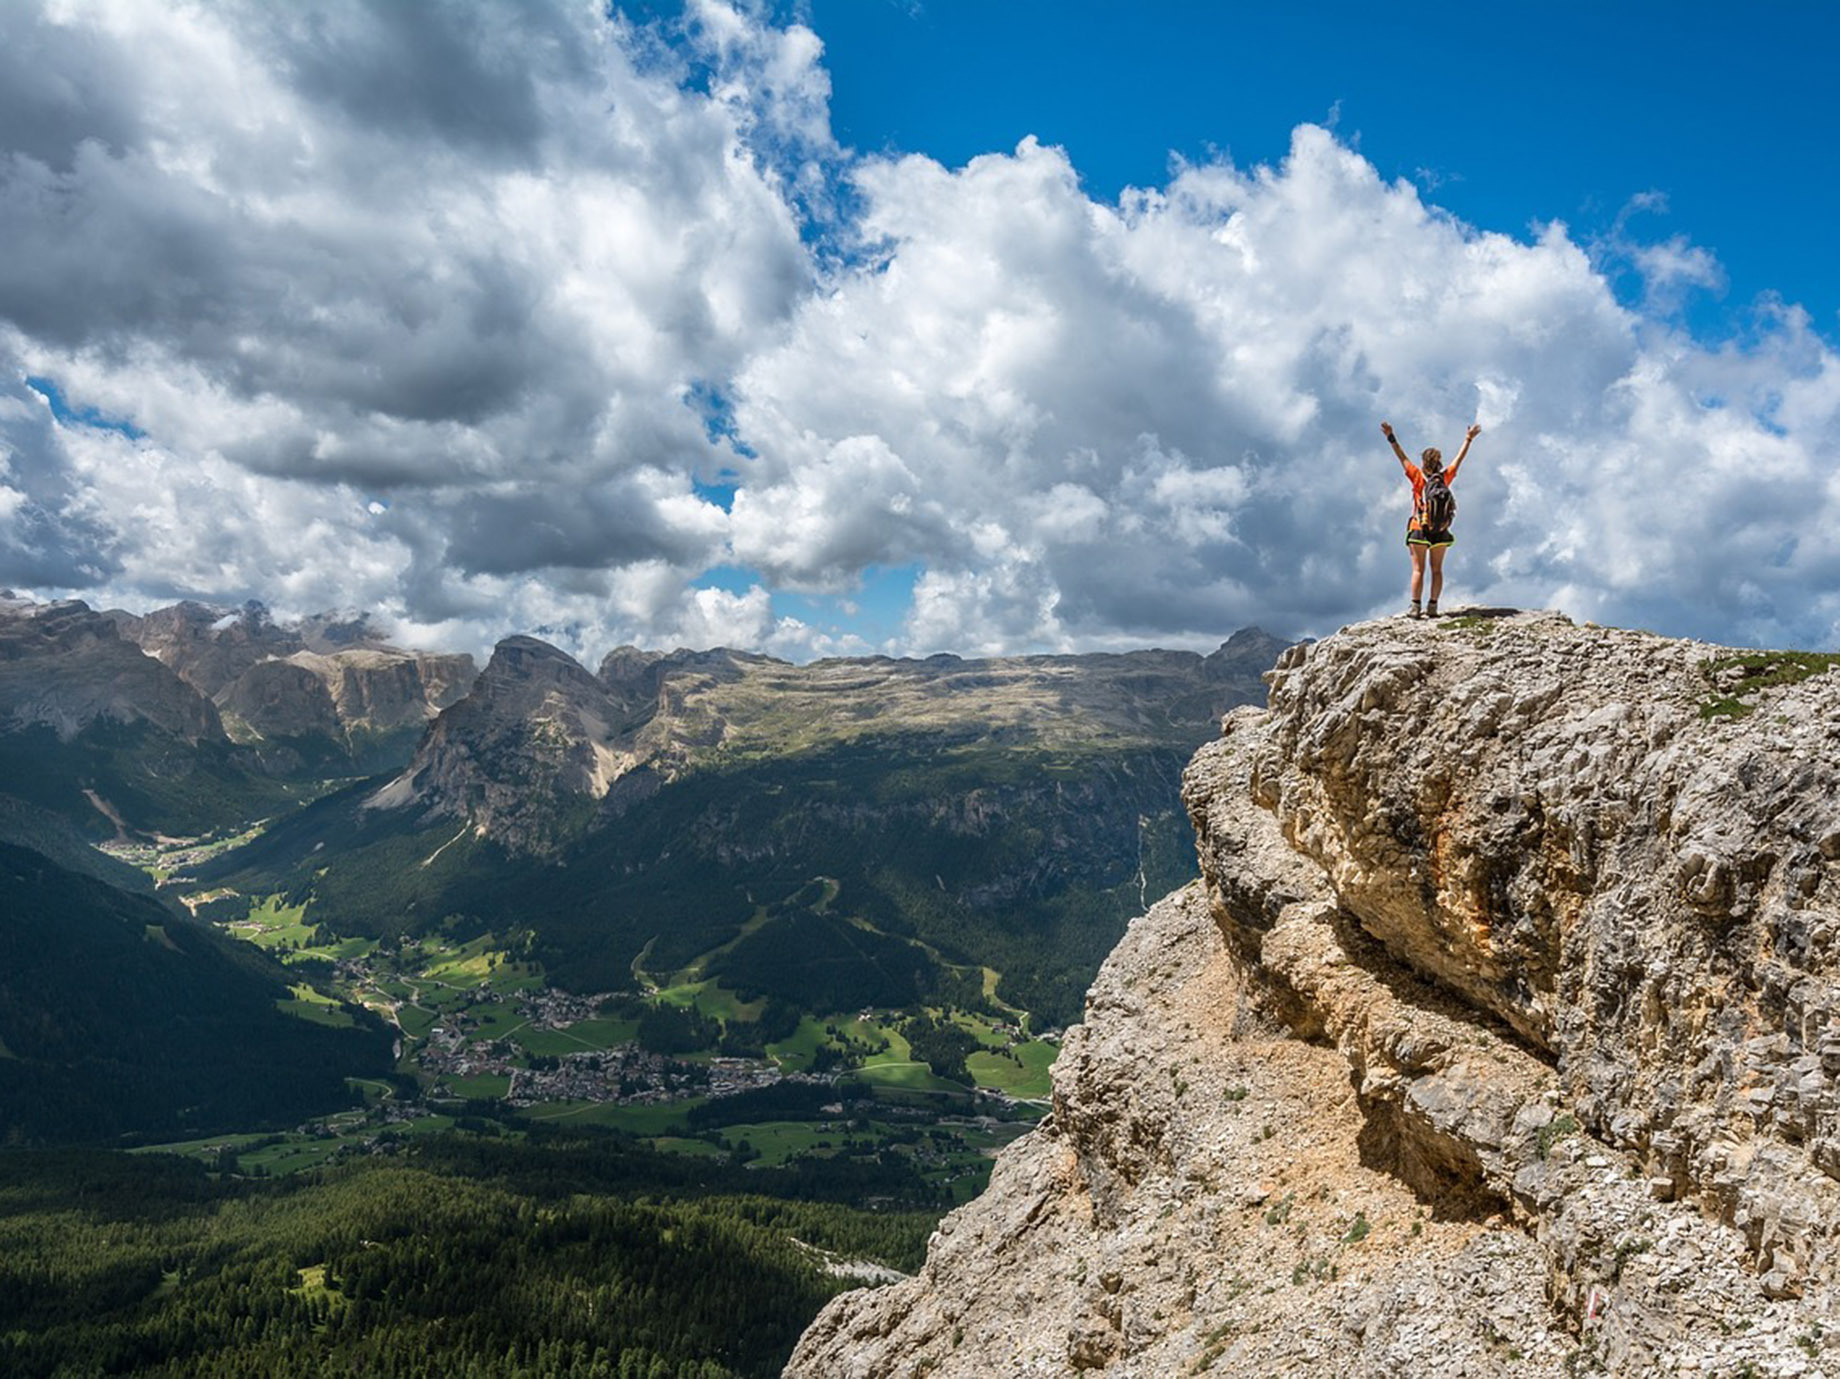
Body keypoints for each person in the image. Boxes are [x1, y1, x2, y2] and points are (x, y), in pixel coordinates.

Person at [1382, 419, 1481, 618]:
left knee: (1418, 570)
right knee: (1437, 570)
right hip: (1441, 530)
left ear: (1423, 463)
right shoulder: (1445, 478)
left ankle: (1415, 607)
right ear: (1439, 463)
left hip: (1419, 527)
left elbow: (1401, 457)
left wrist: (1390, 437)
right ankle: (1433, 606)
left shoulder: (1417, 477)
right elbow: (1458, 460)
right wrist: (1468, 439)